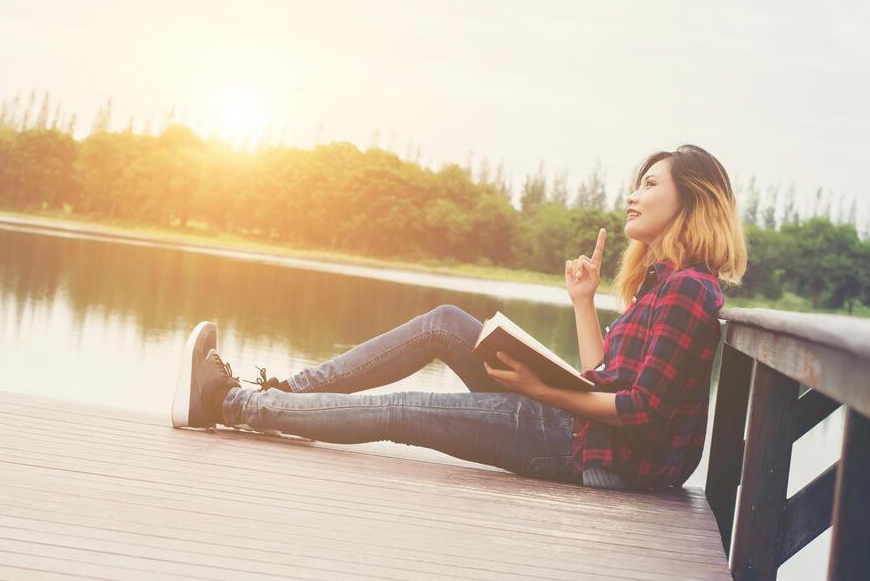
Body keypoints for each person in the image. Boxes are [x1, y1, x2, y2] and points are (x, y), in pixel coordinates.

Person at [170, 144, 747, 492]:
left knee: (398, 411)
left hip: (585, 451)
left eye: (649, 185)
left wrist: (539, 388)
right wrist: (581, 303)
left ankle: (228, 404)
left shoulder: (689, 291)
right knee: (446, 321)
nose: (632, 196)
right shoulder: (663, 285)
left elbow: (640, 412)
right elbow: (605, 376)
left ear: (691, 201)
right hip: (583, 431)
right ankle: (281, 389)